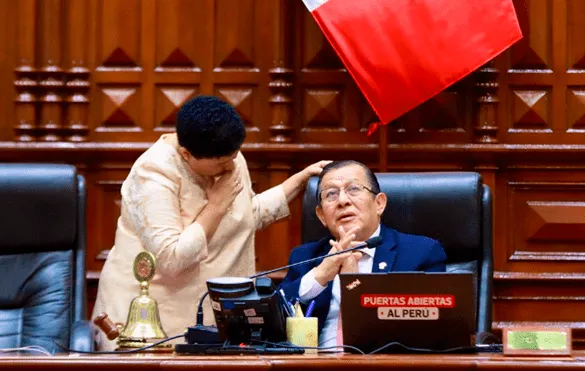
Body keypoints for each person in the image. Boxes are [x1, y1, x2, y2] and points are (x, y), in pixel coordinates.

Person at [92, 95, 329, 350]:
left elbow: (246, 215)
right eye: (221, 163)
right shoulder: (153, 174)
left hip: (218, 317)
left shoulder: (227, 154)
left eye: (234, 156)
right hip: (158, 323)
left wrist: (300, 180)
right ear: (186, 154)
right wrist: (216, 206)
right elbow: (172, 259)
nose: (231, 167)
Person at [279, 160, 447, 349]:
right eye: (331, 194)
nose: (343, 201)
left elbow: (435, 329)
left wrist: (355, 282)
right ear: (321, 216)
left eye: (353, 189)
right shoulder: (305, 257)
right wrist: (319, 276)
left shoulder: (420, 253)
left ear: (379, 204)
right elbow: (271, 322)